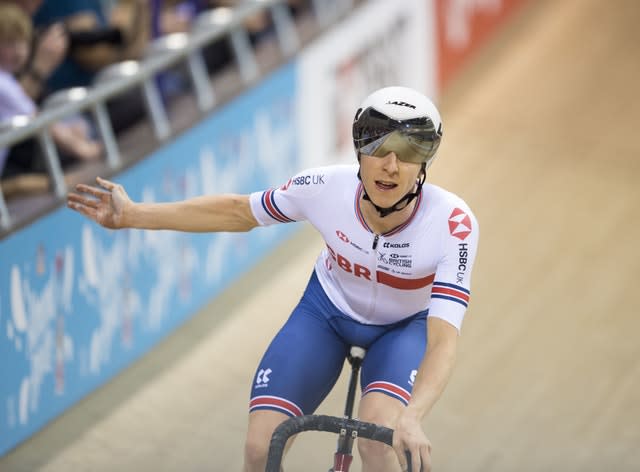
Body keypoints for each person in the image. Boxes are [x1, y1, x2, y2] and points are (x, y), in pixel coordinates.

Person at [67, 86, 479, 472]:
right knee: (260, 450)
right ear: (359, 151)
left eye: (407, 153)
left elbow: (443, 341)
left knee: (379, 443)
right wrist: (133, 214)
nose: (390, 166)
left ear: (424, 163)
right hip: (327, 314)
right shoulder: (323, 187)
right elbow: (237, 212)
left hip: (402, 330)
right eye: (379, 148)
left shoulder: (452, 224)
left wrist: (413, 417)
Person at [0, 2, 102, 197]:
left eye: (23, 42)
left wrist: (73, 133)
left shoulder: (8, 79)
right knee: (56, 181)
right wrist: (84, 149)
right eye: (10, 43)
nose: (20, 51)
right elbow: (40, 122)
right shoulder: (3, 84)